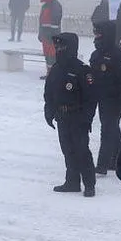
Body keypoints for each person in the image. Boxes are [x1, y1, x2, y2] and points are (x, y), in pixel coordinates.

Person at [44, 33, 97, 196]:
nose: (58, 50)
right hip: (62, 117)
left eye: (62, 47)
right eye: (57, 47)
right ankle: (72, 182)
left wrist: (86, 119)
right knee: (67, 150)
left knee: (81, 150)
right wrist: (49, 110)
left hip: (78, 117)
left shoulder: (82, 70)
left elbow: (91, 98)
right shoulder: (56, 69)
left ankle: (89, 184)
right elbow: (49, 92)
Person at [90, 21, 121, 175]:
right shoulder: (96, 54)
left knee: (107, 129)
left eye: (99, 34)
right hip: (101, 99)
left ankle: (103, 164)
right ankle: (120, 159)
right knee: (112, 128)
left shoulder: (119, 55)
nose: (96, 37)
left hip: (114, 99)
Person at [39, 0, 63, 79]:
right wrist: (41, 33)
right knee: (47, 55)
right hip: (45, 35)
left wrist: (51, 33)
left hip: (52, 36)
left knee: (52, 55)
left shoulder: (55, 5)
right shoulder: (45, 5)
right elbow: (41, 21)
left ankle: (53, 74)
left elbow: (56, 21)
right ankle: (49, 73)